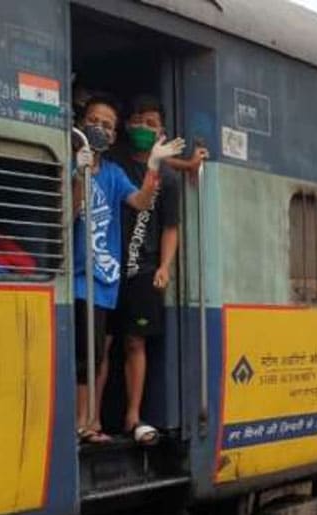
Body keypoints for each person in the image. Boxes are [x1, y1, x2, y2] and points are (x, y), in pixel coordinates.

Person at [73, 95, 184, 444]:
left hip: (108, 279)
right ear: (80, 122)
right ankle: (84, 423)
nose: (100, 129)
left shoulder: (115, 173)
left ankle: (91, 422)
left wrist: (154, 165)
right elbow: (72, 211)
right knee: (85, 355)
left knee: (96, 352)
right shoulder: (74, 164)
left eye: (107, 125)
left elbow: (141, 201)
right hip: (79, 277)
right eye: (94, 121)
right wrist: (79, 172)